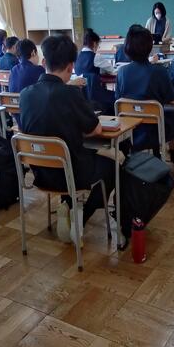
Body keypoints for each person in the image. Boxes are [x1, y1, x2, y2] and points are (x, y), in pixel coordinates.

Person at [20, 33, 114, 228]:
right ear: (71, 67)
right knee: (113, 167)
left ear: (44, 62)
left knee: (68, 152)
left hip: (40, 173)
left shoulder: (25, 94)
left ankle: (69, 206)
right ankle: (80, 217)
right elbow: (96, 129)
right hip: (71, 173)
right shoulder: (70, 94)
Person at [115, 24, 174, 152]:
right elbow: (171, 100)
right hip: (157, 129)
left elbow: (118, 99)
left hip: (129, 129)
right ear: (150, 47)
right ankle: (173, 156)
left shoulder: (121, 72)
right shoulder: (160, 71)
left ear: (127, 47)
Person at [75, 29, 115, 114]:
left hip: (82, 98)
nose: (97, 48)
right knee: (116, 96)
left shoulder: (77, 57)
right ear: (94, 44)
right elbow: (112, 71)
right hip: (96, 97)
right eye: (98, 45)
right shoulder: (96, 57)